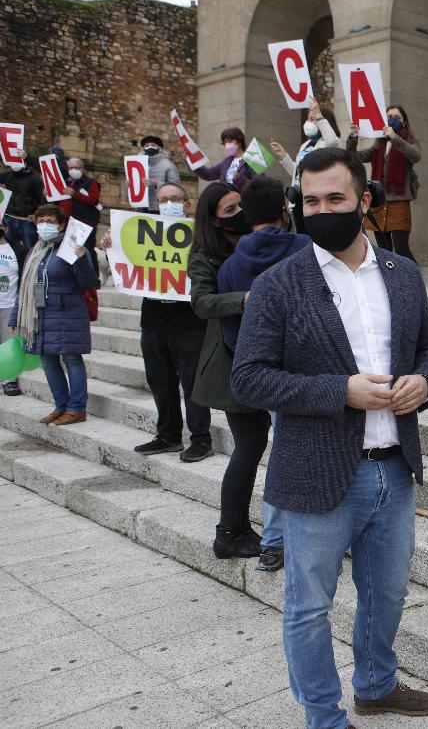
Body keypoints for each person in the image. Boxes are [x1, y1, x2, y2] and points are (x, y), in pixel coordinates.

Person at [231, 147, 428, 727]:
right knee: (308, 607)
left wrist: (423, 382)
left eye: (335, 199)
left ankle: (376, 685)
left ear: (365, 202)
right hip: (317, 472)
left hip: (394, 468)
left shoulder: (404, 275)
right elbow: (248, 378)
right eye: (309, 200)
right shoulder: (278, 284)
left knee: (388, 596)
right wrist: (339, 392)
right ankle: (323, 717)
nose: (321, 210)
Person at [218, 176, 311, 573]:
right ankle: (277, 538)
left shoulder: (230, 264)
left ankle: (274, 540)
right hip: (301, 370)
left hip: (255, 370)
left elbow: (228, 329)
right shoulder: (306, 250)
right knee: (290, 452)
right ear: (284, 211)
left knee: (276, 452)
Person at [189, 182, 267, 559]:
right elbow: (202, 302)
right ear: (214, 220)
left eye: (241, 205)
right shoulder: (206, 255)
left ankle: (239, 526)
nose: (239, 214)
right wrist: (245, 299)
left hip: (266, 357)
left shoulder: (259, 242)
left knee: (254, 445)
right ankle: (229, 532)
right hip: (231, 361)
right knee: (249, 446)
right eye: (229, 210)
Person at [112, 183, 214, 463]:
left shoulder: (201, 236)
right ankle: (168, 436)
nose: (169, 203)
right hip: (154, 321)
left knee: (193, 384)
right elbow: (124, 257)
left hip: (189, 322)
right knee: (160, 382)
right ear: (157, 205)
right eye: (164, 199)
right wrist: (111, 245)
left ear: (187, 204)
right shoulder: (140, 232)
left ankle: (201, 440)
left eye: (176, 199)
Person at [10, 204, 99, 426]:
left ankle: (77, 408)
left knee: (71, 359)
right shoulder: (36, 250)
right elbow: (25, 286)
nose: (44, 226)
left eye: (50, 222)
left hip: (66, 313)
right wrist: (15, 317)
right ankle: (61, 406)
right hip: (39, 314)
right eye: (40, 221)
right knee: (48, 361)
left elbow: (88, 282)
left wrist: (81, 257)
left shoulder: (71, 247)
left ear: (60, 225)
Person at [345, 104, 422, 261]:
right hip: (379, 202)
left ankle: (413, 280)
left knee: (402, 249)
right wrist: (353, 138)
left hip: (399, 203)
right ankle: (389, 283)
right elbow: (353, 157)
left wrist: (395, 137)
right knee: (383, 250)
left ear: (404, 122)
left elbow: (416, 156)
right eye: (389, 117)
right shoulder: (379, 143)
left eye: (397, 117)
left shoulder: (407, 141)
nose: (392, 120)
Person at [0, 215, 27, 397]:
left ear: (5, 227)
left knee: (10, 344)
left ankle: (9, 380)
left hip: (11, 304)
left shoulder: (17, 248)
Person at [271, 98, 344, 184]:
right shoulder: (305, 145)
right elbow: (297, 174)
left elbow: (331, 141)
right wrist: (284, 156)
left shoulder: (329, 142)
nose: (308, 122)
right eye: (308, 119)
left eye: (312, 119)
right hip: (301, 193)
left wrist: (319, 115)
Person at [58, 158, 102, 280]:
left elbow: (93, 200)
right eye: (70, 168)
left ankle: (94, 278)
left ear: (83, 169)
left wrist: (75, 194)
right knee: (67, 249)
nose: (73, 170)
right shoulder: (65, 183)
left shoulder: (91, 183)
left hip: (86, 222)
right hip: (67, 221)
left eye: (76, 168)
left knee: (87, 250)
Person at [1, 154, 44, 249]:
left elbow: (41, 199)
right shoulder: (8, 176)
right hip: (9, 218)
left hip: (27, 220)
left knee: (30, 248)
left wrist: (36, 214)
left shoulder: (34, 179)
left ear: (25, 162)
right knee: (9, 248)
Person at [139, 136, 182, 214]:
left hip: (161, 208)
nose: (149, 147)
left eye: (153, 145)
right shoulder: (138, 165)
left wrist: (157, 184)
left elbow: (176, 187)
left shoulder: (168, 165)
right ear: (143, 149)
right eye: (147, 145)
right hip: (141, 207)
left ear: (159, 148)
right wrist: (129, 185)